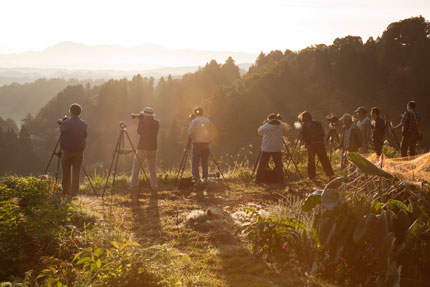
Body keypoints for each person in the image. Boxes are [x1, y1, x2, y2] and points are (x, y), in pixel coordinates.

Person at [60, 103, 87, 196]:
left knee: (66, 171)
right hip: (79, 152)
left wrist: (62, 122)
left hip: (67, 151)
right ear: (79, 112)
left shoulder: (65, 123)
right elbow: (85, 136)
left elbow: (62, 131)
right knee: (76, 172)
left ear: (71, 111)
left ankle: (65, 191)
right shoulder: (84, 124)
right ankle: (74, 193)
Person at [129, 107, 159, 191]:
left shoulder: (142, 122)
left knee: (136, 168)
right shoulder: (157, 123)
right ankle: (154, 186)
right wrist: (141, 119)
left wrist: (140, 120)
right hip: (153, 149)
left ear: (145, 115)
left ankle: (134, 185)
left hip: (142, 148)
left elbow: (139, 132)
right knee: (152, 169)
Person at [299, 111, 334, 180]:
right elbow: (322, 133)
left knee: (311, 161)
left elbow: (304, 137)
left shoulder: (305, 125)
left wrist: (308, 143)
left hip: (311, 145)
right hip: (319, 143)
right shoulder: (317, 123)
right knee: (324, 159)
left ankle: (311, 176)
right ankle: (330, 175)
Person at [256, 113, 288, 183]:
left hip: (266, 148)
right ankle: (281, 179)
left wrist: (265, 123)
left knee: (262, 164)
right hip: (277, 148)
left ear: (269, 119)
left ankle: (258, 179)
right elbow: (286, 129)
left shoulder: (266, 126)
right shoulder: (281, 124)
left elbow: (259, 131)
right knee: (278, 164)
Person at [188, 107, 214, 184]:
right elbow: (211, 132)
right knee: (205, 162)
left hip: (197, 144)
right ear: (202, 113)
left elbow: (190, 132)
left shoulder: (194, 121)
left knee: (195, 163)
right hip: (206, 144)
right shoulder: (207, 121)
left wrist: (193, 138)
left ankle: (196, 180)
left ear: (195, 113)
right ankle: (205, 179)